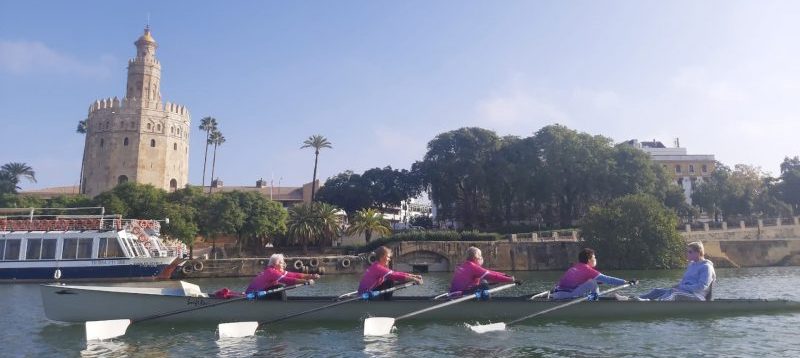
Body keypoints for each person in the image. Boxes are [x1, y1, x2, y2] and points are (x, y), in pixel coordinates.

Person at [638, 241, 716, 301]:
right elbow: (686, 282)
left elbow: (701, 287)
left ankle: (656, 304)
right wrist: (679, 286)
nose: (687, 254)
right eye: (687, 251)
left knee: (674, 293)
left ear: (698, 253)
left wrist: (681, 287)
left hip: (698, 296)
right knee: (657, 291)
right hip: (685, 293)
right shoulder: (691, 265)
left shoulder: (706, 267)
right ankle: (635, 300)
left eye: (690, 252)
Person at [552, 248, 635, 300]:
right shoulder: (587, 269)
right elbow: (607, 279)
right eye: (594, 257)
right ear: (589, 260)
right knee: (592, 283)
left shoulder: (576, 267)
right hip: (565, 296)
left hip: (557, 294)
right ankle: (596, 301)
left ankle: (594, 298)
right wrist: (625, 282)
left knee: (592, 281)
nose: (595, 259)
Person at [358, 246, 423, 300]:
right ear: (382, 257)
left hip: (368, 293)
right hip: (365, 297)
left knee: (389, 280)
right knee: (390, 280)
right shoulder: (378, 268)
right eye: (388, 257)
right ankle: (387, 304)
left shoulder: (376, 266)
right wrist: (414, 279)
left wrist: (414, 276)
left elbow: (395, 273)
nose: (389, 259)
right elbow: (394, 276)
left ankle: (386, 302)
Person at [449, 246, 517, 298]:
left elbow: (489, 272)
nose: (482, 258)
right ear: (476, 257)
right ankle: (486, 303)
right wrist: (510, 279)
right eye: (481, 256)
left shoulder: (465, 265)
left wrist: (505, 275)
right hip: (461, 295)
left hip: (454, 293)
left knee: (483, 281)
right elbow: (492, 276)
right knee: (484, 285)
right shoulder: (473, 267)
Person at [245, 253, 320, 299]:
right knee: (279, 287)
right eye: (281, 263)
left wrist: (311, 276)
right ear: (275, 264)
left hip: (260, 294)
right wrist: (306, 282)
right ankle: (282, 305)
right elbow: (287, 280)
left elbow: (294, 275)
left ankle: (281, 302)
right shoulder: (271, 272)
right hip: (253, 296)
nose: (284, 264)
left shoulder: (277, 270)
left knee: (278, 286)